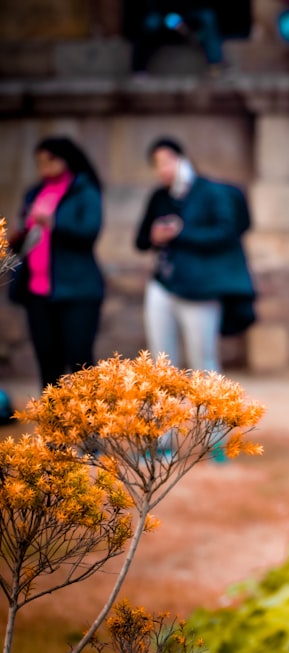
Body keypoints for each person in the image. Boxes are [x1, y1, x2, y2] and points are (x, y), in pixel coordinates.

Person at [135, 137, 256, 375]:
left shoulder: (210, 193)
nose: (163, 169)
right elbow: (140, 241)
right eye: (158, 164)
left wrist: (181, 233)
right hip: (163, 282)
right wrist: (155, 236)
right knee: (161, 362)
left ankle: (211, 412)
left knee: (202, 360)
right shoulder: (160, 197)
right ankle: (168, 412)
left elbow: (227, 232)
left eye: (168, 162)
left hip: (201, 286)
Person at [7, 137, 104, 391]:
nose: (44, 165)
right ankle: (54, 427)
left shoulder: (85, 191)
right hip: (37, 292)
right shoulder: (34, 192)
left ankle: (87, 427)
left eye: (50, 159)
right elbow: (25, 234)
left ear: (66, 159)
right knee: (48, 364)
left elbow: (90, 232)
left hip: (77, 291)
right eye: (39, 161)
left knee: (80, 364)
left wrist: (54, 223)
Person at [125, 0, 229, 77]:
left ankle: (215, 65)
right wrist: (175, 22)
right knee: (149, 23)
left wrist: (189, 30)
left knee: (208, 17)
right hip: (164, 14)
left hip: (189, 13)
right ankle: (139, 70)